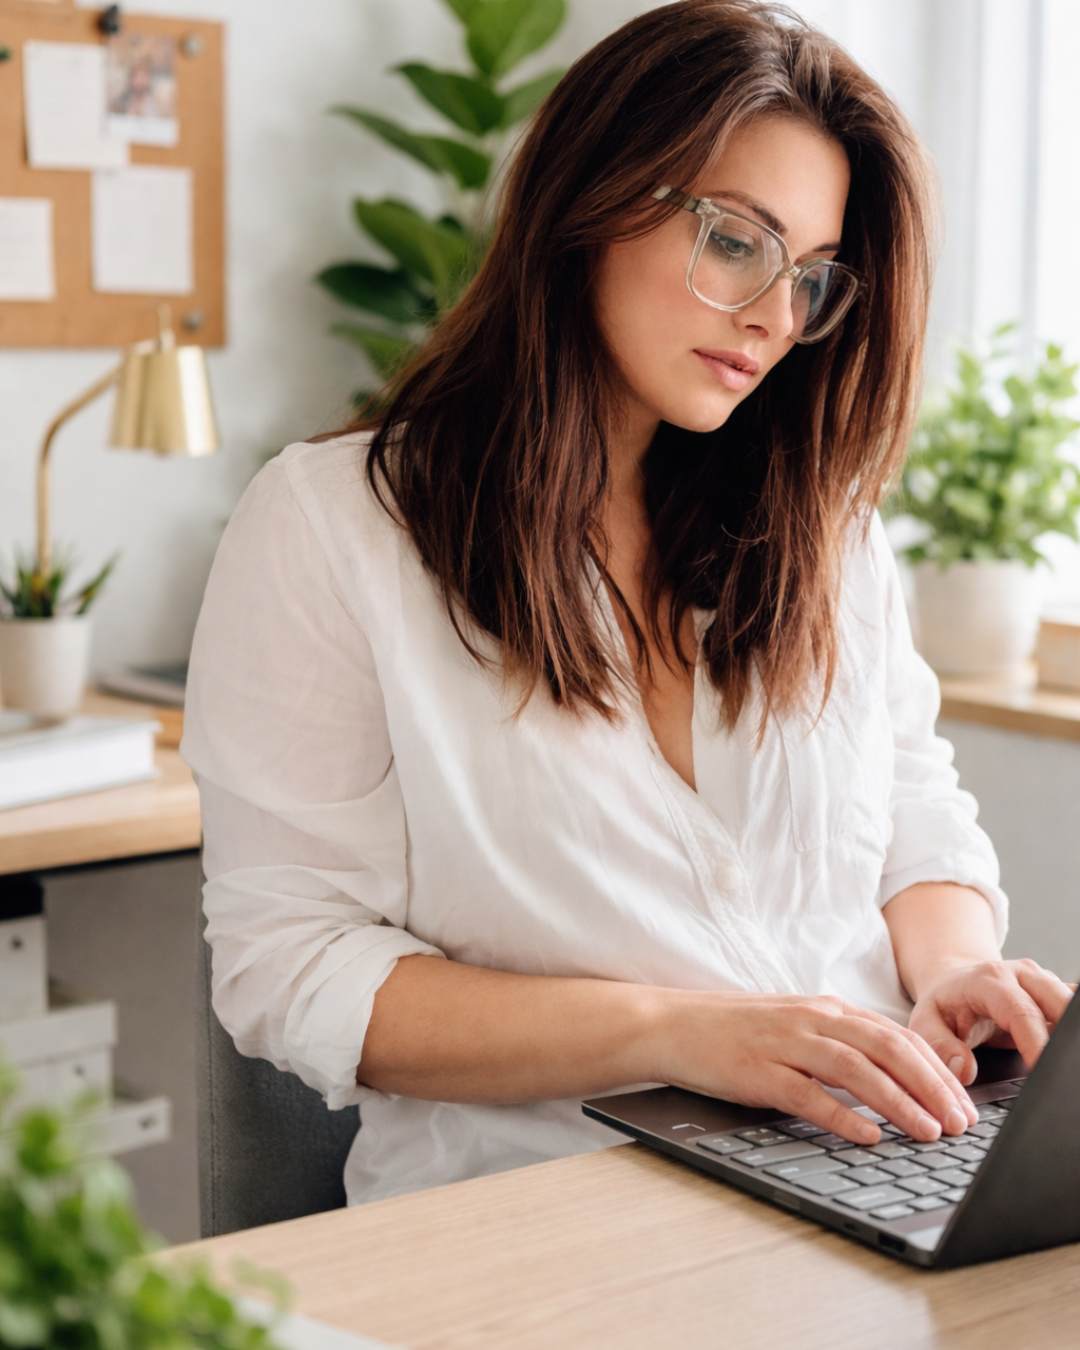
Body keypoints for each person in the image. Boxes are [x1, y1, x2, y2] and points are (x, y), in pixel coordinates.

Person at [183, 0, 1073, 1206]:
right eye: (736, 241)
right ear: (590, 201)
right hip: (543, 1207)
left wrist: (952, 969)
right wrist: (676, 1032)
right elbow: (291, 967)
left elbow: (912, 809)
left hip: (869, 1163)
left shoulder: (823, 532)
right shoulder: (334, 530)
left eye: (811, 277)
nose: (774, 318)